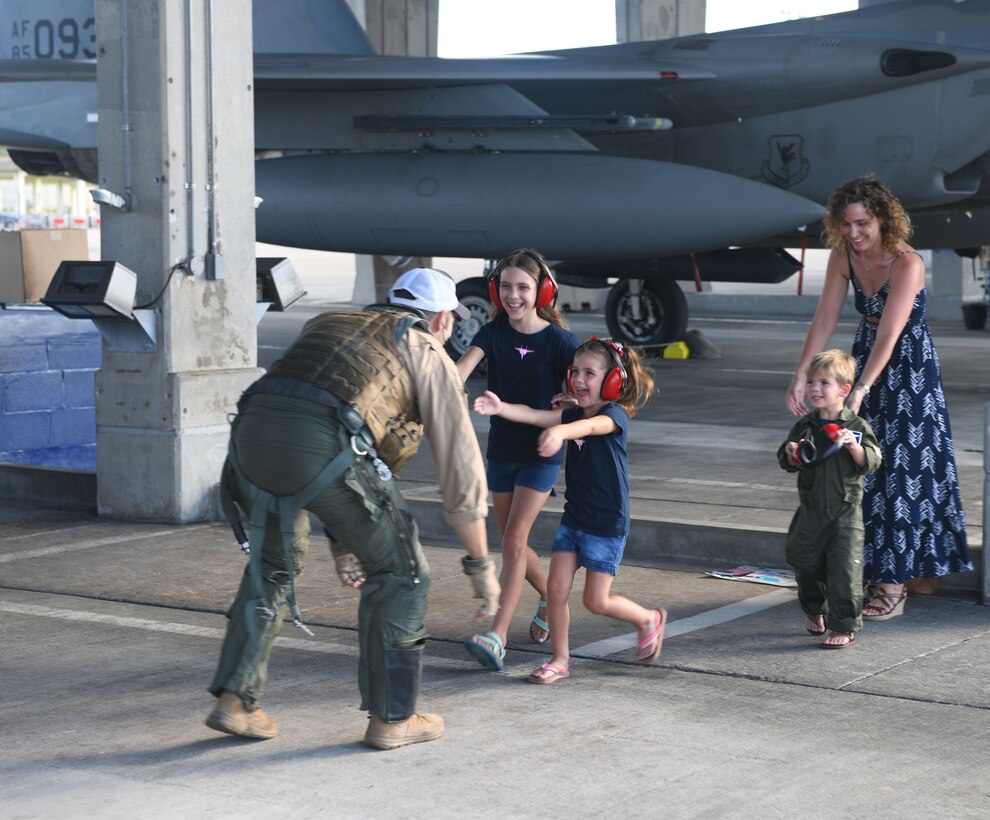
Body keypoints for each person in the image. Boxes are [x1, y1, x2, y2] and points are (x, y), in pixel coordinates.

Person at [207, 267, 500, 750]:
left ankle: (234, 702)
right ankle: (393, 718)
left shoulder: (330, 323)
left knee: (272, 567)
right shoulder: (426, 349)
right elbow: (460, 465)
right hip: (318, 442)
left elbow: (345, 435)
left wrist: (346, 548)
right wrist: (480, 564)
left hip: (252, 437)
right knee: (403, 574)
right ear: (443, 319)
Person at [786, 174, 972, 619]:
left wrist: (860, 391)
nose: (854, 233)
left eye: (862, 223)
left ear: (883, 219)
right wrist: (800, 376)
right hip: (862, 359)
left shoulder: (908, 263)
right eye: (846, 224)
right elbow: (824, 320)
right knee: (862, 469)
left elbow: (890, 333)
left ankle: (894, 584)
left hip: (910, 372)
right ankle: (883, 573)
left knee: (904, 472)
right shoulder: (844, 257)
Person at [473, 337, 664, 683]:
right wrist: (500, 408)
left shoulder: (614, 416)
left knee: (595, 600)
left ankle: (647, 619)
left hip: (606, 522)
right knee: (556, 590)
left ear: (612, 381)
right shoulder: (572, 412)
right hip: (574, 517)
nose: (578, 379)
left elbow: (590, 427)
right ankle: (559, 660)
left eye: (590, 373)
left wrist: (561, 431)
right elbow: (534, 415)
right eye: (575, 371)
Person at [457, 249, 579, 670]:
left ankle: (498, 633)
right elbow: (458, 372)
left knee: (512, 539)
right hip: (502, 449)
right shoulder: (492, 333)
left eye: (523, 287)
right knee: (513, 537)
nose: (513, 296)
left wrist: (573, 403)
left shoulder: (562, 342)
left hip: (541, 451)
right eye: (506, 287)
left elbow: (587, 392)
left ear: (542, 290)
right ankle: (548, 597)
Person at [778, 349, 882, 648]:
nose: (814, 389)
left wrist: (853, 447)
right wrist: (790, 452)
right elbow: (787, 459)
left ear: (844, 389)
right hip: (811, 509)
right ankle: (813, 608)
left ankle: (844, 625)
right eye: (811, 382)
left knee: (845, 569)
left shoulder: (857, 427)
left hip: (845, 511)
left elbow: (872, 461)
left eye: (824, 383)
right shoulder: (806, 427)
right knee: (805, 563)